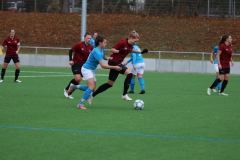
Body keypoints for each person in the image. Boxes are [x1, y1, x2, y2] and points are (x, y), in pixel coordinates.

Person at [88, 30, 148, 105]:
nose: (135, 43)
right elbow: (112, 49)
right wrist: (119, 51)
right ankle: (124, 95)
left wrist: (141, 52)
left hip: (118, 63)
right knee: (129, 74)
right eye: (135, 41)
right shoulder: (122, 42)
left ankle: (92, 95)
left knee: (109, 84)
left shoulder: (130, 45)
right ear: (131, 38)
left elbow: (130, 50)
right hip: (114, 62)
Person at [68, 36, 122, 109]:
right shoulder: (96, 51)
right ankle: (80, 104)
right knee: (91, 87)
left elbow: (103, 56)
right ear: (100, 43)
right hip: (87, 69)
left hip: (91, 69)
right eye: (104, 42)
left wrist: (108, 58)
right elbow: (103, 66)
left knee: (92, 89)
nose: (106, 43)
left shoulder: (102, 49)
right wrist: (114, 67)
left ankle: (74, 86)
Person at [63, 32, 93, 99]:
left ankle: (69, 93)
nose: (89, 39)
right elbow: (71, 51)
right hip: (76, 63)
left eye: (90, 38)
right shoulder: (79, 44)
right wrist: (70, 60)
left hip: (84, 66)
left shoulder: (91, 47)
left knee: (78, 81)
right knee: (78, 78)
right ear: (84, 38)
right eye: (88, 38)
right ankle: (66, 89)